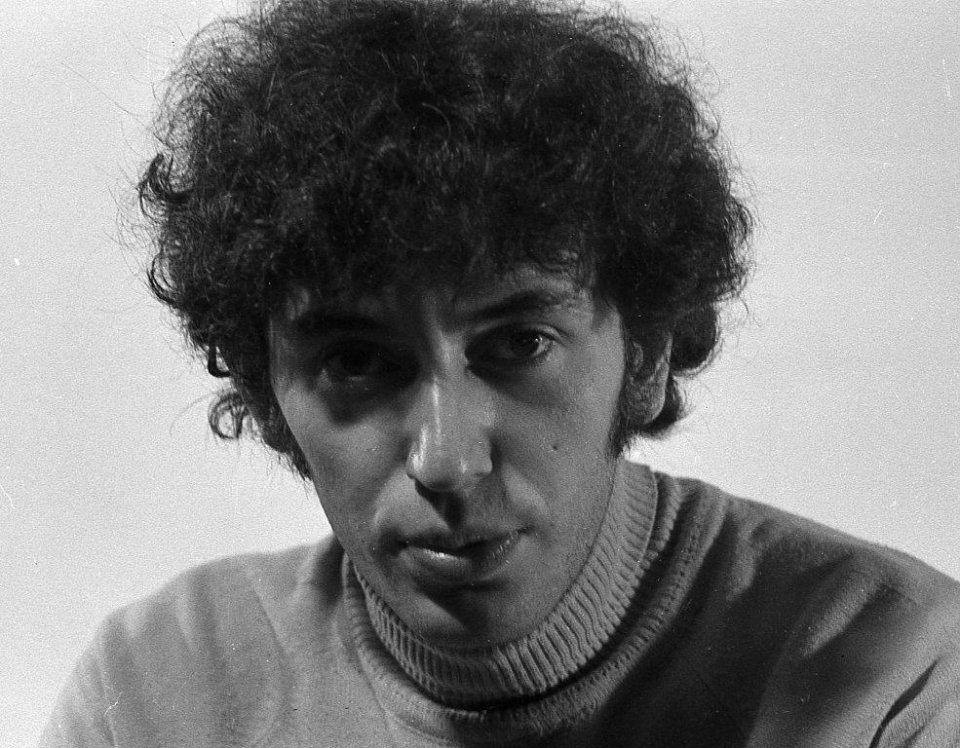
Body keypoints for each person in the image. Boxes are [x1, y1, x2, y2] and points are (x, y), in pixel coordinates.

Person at [41, 0, 960, 745]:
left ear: (644, 355)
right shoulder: (157, 689)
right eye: (356, 361)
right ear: (267, 396)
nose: (447, 462)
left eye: (519, 344)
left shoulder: (898, 675)